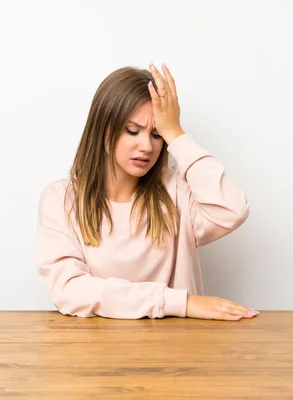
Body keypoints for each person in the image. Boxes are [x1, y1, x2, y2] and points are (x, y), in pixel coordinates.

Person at [35, 63, 257, 321]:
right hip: (94, 351)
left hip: (176, 351)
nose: (147, 146)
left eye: (156, 135)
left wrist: (175, 133)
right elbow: (69, 289)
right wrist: (181, 303)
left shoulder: (176, 192)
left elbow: (233, 210)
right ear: (103, 131)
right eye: (133, 130)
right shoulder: (61, 200)